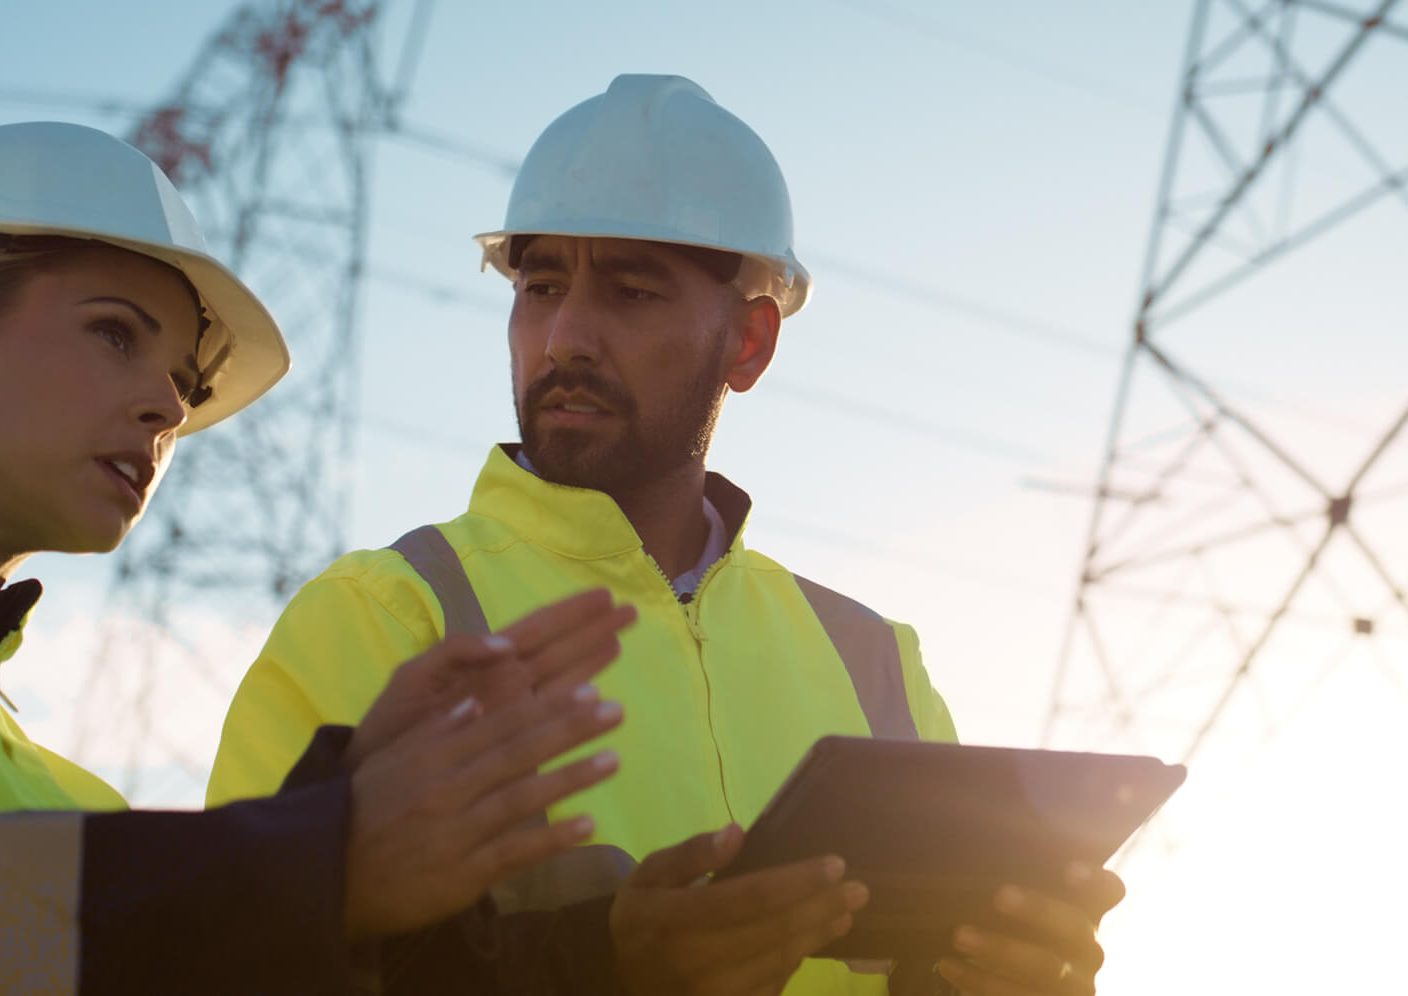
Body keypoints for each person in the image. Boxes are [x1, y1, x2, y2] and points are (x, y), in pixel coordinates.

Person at [0, 121, 639, 995]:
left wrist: (594, 955)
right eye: (116, 335)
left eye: (182, 381)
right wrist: (319, 857)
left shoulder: (71, 803)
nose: (168, 408)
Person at [209, 75, 1126, 995]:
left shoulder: (874, 663)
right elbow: (236, 966)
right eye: (540, 286)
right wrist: (599, 970)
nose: (564, 336)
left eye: (632, 292)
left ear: (748, 344)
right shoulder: (383, 617)